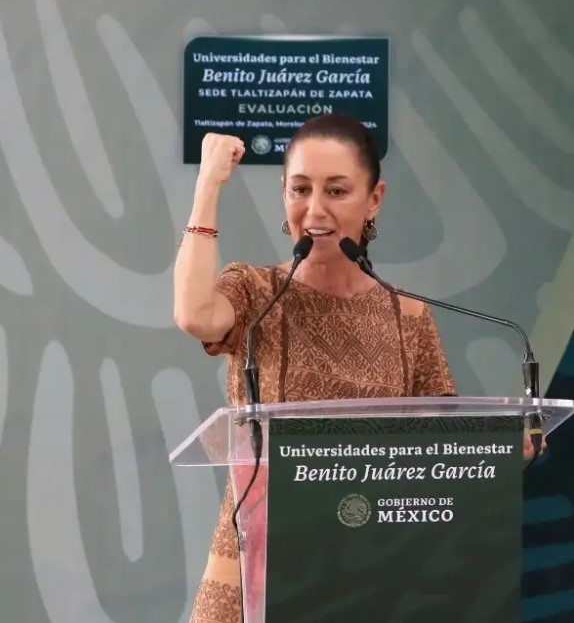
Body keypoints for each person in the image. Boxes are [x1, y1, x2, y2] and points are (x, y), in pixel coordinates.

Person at [173, 114, 540, 623]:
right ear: (283, 192)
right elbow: (193, 314)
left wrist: (500, 451)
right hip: (253, 574)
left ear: (375, 199)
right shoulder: (256, 292)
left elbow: (442, 454)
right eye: (300, 189)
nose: (315, 209)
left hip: (365, 574)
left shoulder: (407, 318)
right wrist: (208, 184)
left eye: (337, 191)